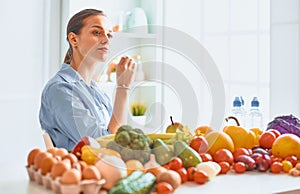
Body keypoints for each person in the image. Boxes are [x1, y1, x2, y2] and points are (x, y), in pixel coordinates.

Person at [39, 9, 136, 150]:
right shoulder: (59, 89)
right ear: (74, 39)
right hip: (82, 170)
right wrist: (123, 88)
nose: (106, 39)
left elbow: (121, 137)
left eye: (109, 35)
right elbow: (105, 146)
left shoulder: (95, 90)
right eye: (97, 32)